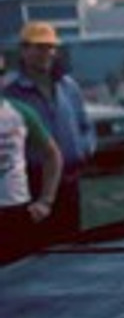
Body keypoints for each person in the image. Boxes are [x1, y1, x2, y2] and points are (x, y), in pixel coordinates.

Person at [3, 22, 95, 246]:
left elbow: (84, 124)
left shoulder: (68, 86)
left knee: (72, 245)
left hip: (70, 180)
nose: (47, 53)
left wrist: (83, 151)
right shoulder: (11, 91)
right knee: (38, 248)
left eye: (50, 47)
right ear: (24, 51)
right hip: (35, 182)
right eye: (39, 47)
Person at [0, 91, 63, 264]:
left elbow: (53, 155)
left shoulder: (20, 112)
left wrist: (46, 201)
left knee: (19, 278)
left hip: (16, 211)